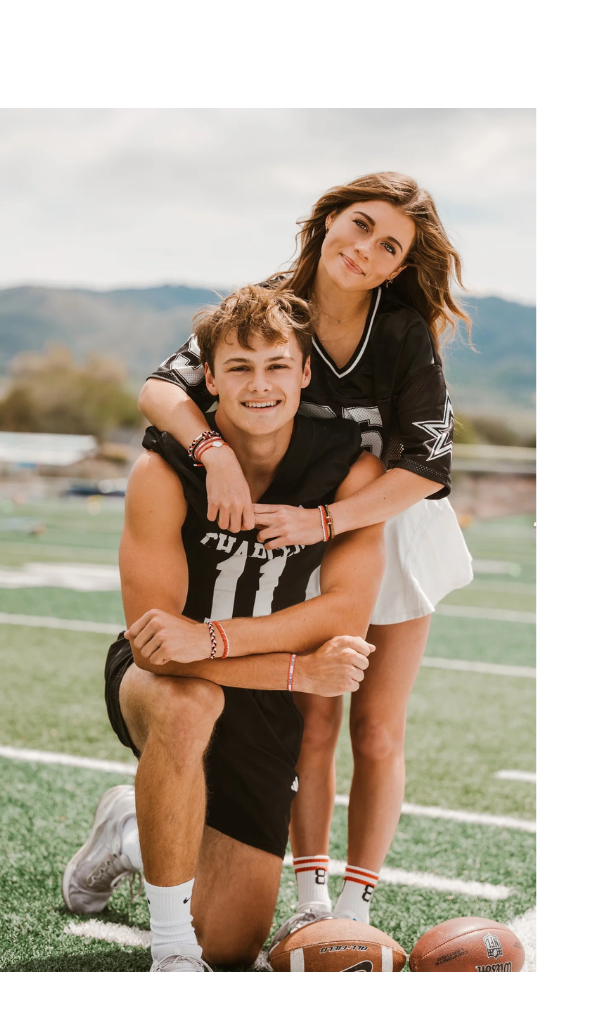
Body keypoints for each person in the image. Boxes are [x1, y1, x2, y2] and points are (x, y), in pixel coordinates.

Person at [137, 172, 473, 939]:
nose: (366, 249)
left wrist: (327, 521)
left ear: (396, 267)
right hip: (292, 527)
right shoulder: (270, 303)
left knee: (378, 729)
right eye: (359, 225)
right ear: (326, 222)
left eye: (388, 246)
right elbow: (162, 389)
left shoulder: (401, 332)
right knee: (312, 725)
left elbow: (423, 469)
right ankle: (310, 901)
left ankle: (355, 902)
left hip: (379, 522)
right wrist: (212, 449)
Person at [62, 285, 386, 971]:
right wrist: (297, 670)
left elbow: (343, 612)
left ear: (304, 373)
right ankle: (173, 956)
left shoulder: (349, 468)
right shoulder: (164, 468)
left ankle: (129, 832)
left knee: (234, 943)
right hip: (160, 682)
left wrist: (212, 641)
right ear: (209, 377)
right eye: (238, 367)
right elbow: (158, 646)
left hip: (258, 694)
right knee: (189, 702)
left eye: (276, 365)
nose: (259, 384)